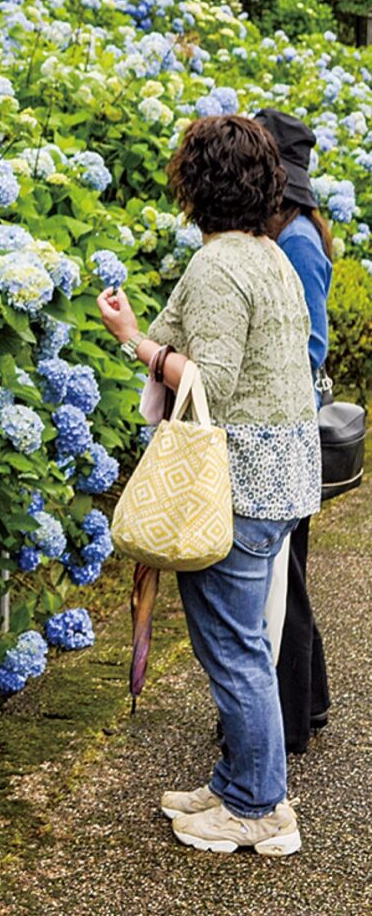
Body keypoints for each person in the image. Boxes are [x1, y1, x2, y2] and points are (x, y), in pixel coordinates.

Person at [96, 114, 321, 856]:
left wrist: (132, 343)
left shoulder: (221, 266)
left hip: (241, 481)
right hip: (282, 471)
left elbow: (209, 381)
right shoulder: (269, 256)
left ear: (196, 184)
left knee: (233, 647)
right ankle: (240, 782)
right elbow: (190, 338)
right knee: (243, 641)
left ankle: (257, 807)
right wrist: (144, 331)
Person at [257, 107, 333, 754]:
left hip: (290, 429)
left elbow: (310, 347)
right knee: (293, 574)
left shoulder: (298, 243)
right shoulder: (296, 232)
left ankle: (292, 715)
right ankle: (309, 704)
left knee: (289, 581)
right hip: (292, 427)